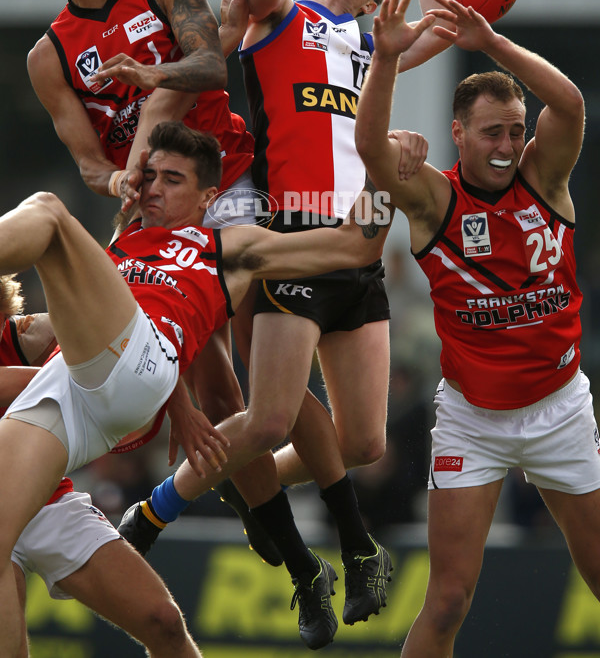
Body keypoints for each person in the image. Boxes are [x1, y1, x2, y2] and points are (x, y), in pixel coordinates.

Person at [118, 0, 449, 632]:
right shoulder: (284, 22)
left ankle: (235, 476)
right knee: (266, 418)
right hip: (293, 233)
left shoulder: (377, 46)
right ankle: (157, 510)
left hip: (362, 242)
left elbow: (450, 19)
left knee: (365, 443)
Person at [0, 105, 409, 656]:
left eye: (173, 181)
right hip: (75, 387)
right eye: (149, 178)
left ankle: (322, 552)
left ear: (208, 198)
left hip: (134, 369)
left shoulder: (229, 247)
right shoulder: (121, 245)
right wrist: (181, 409)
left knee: (49, 212)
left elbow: (354, 246)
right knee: (151, 617)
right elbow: (75, 327)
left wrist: (383, 173)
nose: (153, 190)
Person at [25, 0, 281, 562]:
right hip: (152, 205)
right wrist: (116, 180)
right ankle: (278, 531)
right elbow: (86, 160)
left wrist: (149, 72)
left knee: (248, 371)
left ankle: (290, 515)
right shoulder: (49, 55)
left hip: (223, 180)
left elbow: (208, 63)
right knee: (212, 384)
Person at [354, 0, 597, 656]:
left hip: (560, 410)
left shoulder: (544, 177)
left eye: (515, 129)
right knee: (448, 600)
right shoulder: (434, 199)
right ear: (457, 133)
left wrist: (490, 41)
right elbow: (370, 146)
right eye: (492, 131)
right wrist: (386, 58)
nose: (507, 144)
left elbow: (570, 105)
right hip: (474, 420)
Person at [0, 274, 202, 658]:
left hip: (44, 499)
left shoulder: (22, 333)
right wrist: (78, 380)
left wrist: (179, 404)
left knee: (165, 622)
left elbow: (131, 328)